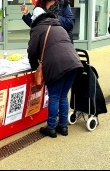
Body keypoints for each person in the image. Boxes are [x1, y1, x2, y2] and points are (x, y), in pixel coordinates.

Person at [27, 7, 83, 138]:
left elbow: (32, 51)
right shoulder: (59, 26)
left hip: (57, 66)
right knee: (63, 96)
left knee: (54, 97)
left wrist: (35, 68)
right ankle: (63, 127)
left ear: (35, 19)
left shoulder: (37, 28)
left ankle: (51, 128)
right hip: (74, 64)